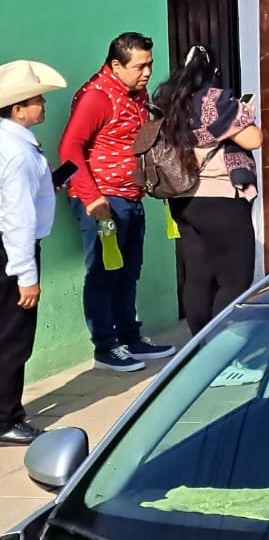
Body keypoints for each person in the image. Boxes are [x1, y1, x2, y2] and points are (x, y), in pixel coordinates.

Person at [59, 32, 175, 373]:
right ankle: (105, 347)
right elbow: (69, 149)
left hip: (131, 196)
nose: (147, 73)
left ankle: (130, 337)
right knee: (104, 274)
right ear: (115, 65)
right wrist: (93, 199)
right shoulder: (96, 97)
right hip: (103, 200)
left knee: (128, 272)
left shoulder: (135, 94)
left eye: (150, 64)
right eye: (139, 66)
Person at [152, 46, 263, 334]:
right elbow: (253, 140)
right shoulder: (218, 101)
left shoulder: (166, 100)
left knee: (198, 276)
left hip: (182, 199)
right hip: (222, 199)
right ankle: (221, 344)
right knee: (235, 280)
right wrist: (246, 115)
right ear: (213, 72)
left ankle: (197, 344)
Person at [0, 60, 69, 444]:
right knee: (13, 339)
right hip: (12, 251)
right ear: (18, 109)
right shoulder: (19, 153)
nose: (43, 103)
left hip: (6, 244)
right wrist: (26, 276)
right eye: (36, 99)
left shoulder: (8, 143)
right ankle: (5, 419)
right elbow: (19, 218)